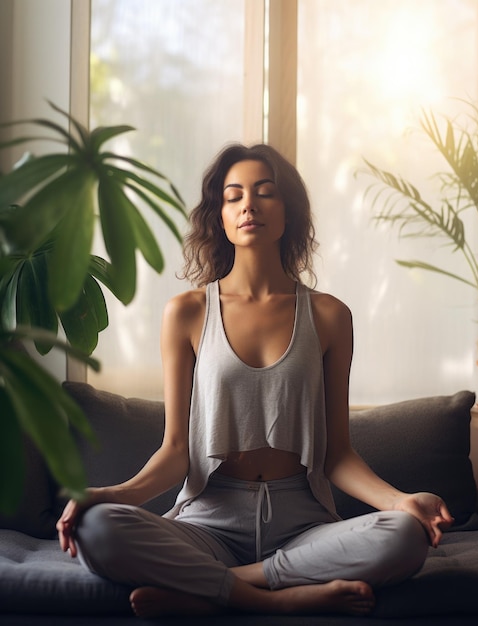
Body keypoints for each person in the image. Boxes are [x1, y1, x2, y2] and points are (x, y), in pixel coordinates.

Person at [57, 143, 453, 618]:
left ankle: (218, 589)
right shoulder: (187, 313)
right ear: (219, 216)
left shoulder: (329, 315)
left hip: (303, 525)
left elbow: (338, 456)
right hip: (208, 522)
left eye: (265, 192)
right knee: (98, 528)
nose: (249, 204)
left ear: (288, 212)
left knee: (405, 537)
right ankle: (280, 599)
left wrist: (401, 501)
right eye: (234, 195)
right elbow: (174, 454)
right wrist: (108, 495)